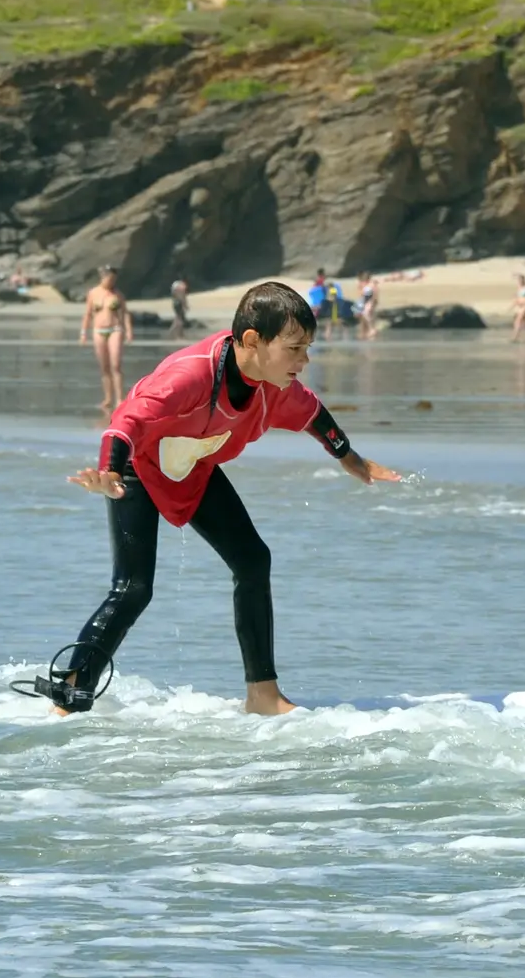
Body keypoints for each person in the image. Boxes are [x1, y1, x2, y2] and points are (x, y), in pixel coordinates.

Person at [22, 282, 400, 717]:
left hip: (192, 466)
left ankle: (263, 695)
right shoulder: (190, 376)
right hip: (136, 464)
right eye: (295, 348)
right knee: (133, 589)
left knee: (253, 560)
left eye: (307, 348)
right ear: (253, 341)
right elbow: (126, 422)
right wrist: (108, 471)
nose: (304, 360)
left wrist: (352, 459)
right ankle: (70, 695)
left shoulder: (273, 385)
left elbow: (314, 415)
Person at [80, 267, 133, 411]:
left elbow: (125, 313)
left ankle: (120, 398)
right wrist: (83, 332)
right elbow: (88, 314)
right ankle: (108, 398)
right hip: (98, 330)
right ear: (103, 278)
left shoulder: (117, 294)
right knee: (104, 367)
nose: (111, 282)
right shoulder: (93, 293)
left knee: (115, 365)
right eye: (109, 279)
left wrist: (128, 330)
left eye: (113, 279)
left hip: (115, 329)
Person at [356, 272, 380, 340]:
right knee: (363, 317)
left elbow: (373, 295)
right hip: (366, 302)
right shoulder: (366, 285)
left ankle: (371, 329)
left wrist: (373, 303)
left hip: (369, 302)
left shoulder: (371, 285)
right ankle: (364, 332)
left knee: (366, 315)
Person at [509, 272, 525, 342]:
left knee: (517, 321)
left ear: (524, 280)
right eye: (519, 280)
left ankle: (515, 337)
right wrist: (513, 305)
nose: (520, 281)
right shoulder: (519, 287)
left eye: (521, 280)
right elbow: (517, 297)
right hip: (520, 306)